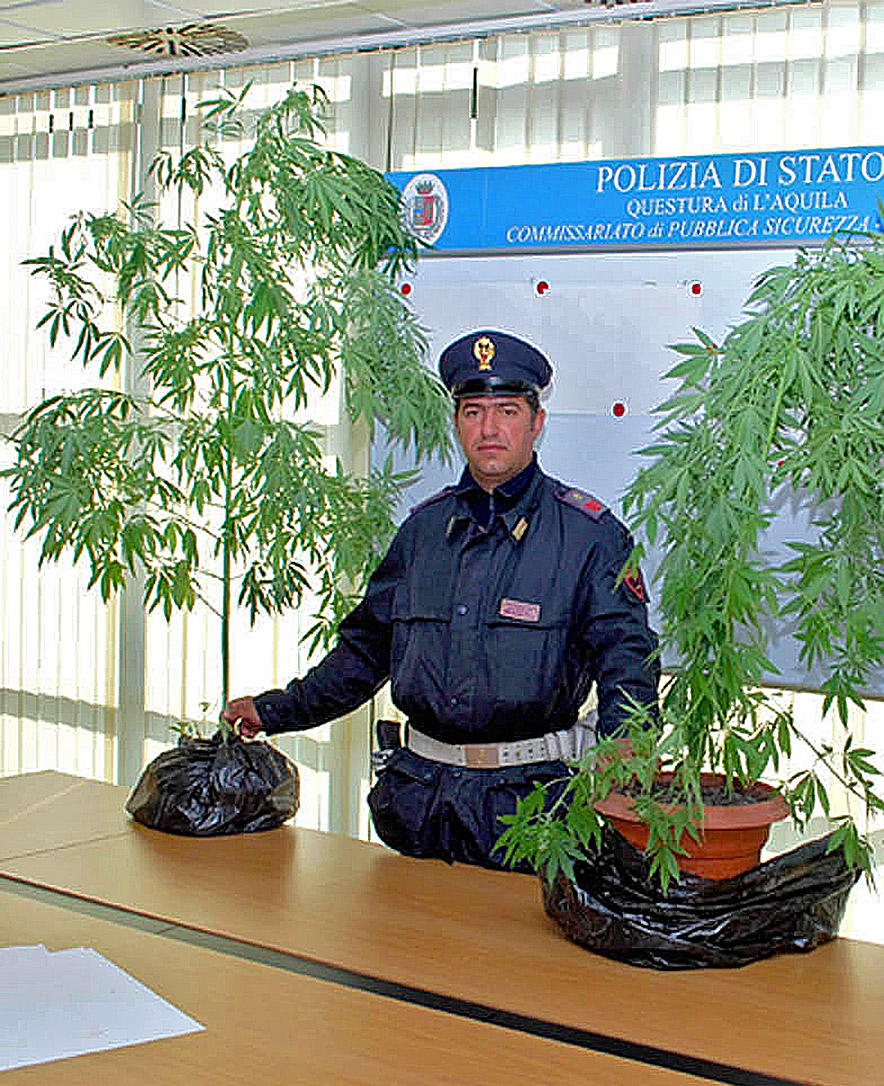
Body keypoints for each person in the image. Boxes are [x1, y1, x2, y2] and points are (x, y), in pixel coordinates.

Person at [224, 329, 660, 869]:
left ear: (536, 424)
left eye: (506, 411)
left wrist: (625, 749)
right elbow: (364, 654)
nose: (490, 429)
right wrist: (274, 711)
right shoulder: (423, 532)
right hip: (418, 802)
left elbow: (628, 659)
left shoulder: (590, 537)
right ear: (457, 423)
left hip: (529, 808)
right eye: (474, 412)